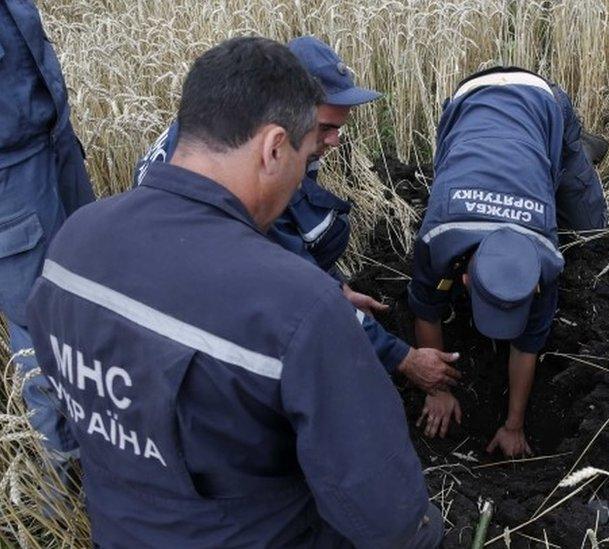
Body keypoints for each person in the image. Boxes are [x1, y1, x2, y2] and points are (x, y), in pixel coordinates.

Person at [26, 36, 442, 547]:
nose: (302, 178)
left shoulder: (73, 243)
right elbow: (382, 510)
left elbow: (68, 404)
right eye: (308, 151)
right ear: (273, 148)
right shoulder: (298, 307)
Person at [133, 36, 460, 396]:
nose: (335, 140)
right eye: (325, 127)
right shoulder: (246, 181)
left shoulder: (252, 130)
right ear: (284, 114)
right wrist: (404, 359)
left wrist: (340, 288)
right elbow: (296, 284)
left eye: (339, 127)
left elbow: (297, 245)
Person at [408, 66, 608, 457]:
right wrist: (438, 389)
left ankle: (576, 150)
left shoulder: (546, 260)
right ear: (464, 280)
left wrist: (514, 424)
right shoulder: (437, 240)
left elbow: (527, 346)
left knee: (590, 232)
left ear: (534, 284)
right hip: (470, 103)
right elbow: (426, 312)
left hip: (541, 102)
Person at [0, 0, 95, 457]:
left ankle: (107, 439)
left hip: (55, 140)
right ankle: (65, 481)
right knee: (41, 325)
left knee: (94, 284)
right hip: (8, 178)